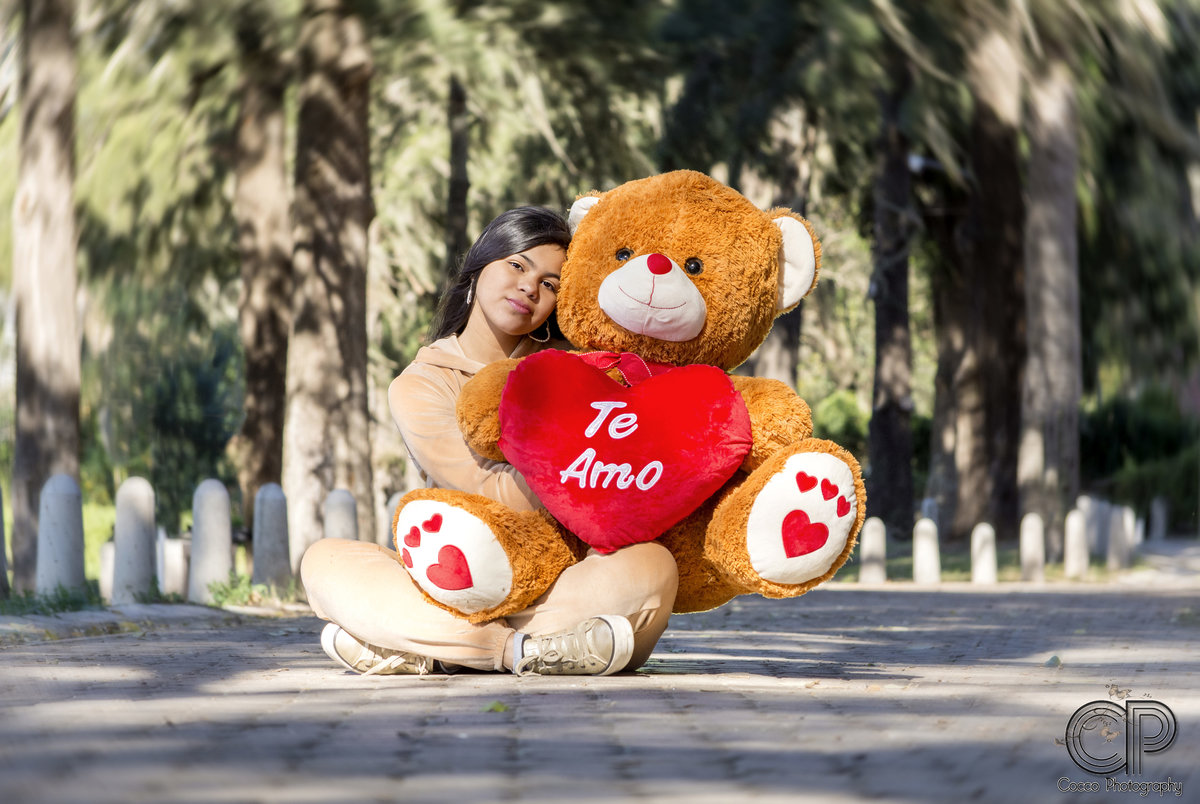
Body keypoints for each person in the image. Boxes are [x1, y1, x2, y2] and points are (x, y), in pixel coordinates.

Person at [301, 206, 678, 676]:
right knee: (325, 562)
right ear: (479, 269)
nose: (529, 287)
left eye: (550, 284)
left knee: (653, 567)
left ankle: (431, 648)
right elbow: (485, 488)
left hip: (556, 586)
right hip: (455, 585)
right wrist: (582, 469)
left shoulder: (573, 372)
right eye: (517, 266)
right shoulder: (422, 384)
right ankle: (519, 652)